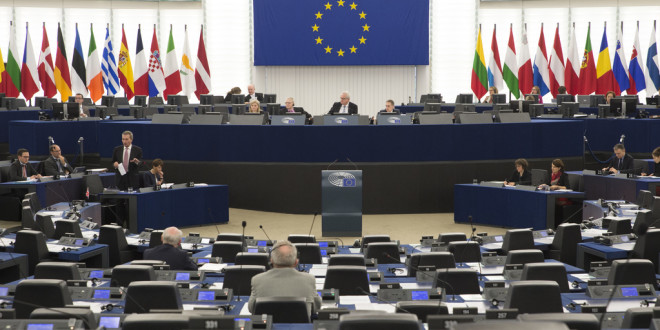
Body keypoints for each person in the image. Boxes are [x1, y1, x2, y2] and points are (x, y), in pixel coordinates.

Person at [248, 240, 321, 313]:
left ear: (271, 261)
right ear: (296, 262)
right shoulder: (309, 280)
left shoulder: (257, 280)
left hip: (269, 324)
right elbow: (317, 307)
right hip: (298, 324)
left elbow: (252, 309)